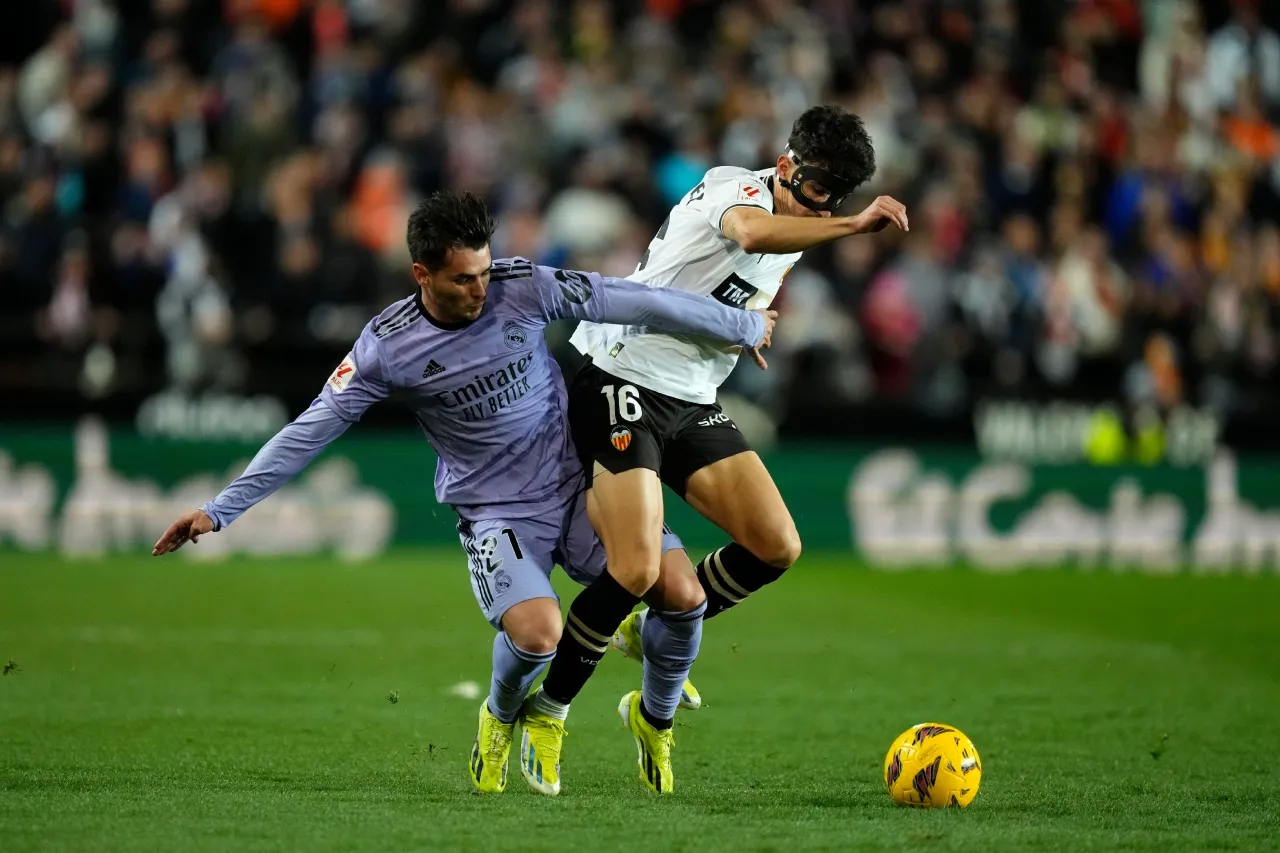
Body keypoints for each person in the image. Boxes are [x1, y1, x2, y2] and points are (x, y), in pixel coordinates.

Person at [151, 191, 776, 798]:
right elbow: (307, 431)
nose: (481, 290)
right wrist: (218, 510)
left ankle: (654, 719)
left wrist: (742, 323)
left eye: (483, 271)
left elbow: (635, 300)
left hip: (577, 485)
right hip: (495, 511)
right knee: (539, 634)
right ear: (421, 274)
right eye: (462, 280)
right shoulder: (385, 349)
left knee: (683, 594)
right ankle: (501, 716)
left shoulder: (524, 285)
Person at [524, 105, 909, 794]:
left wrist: (746, 330)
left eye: (835, 197)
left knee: (776, 544)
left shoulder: (801, 227)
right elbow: (748, 233)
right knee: (636, 564)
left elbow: (736, 281)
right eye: (816, 186)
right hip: (621, 376)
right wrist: (851, 226)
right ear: (789, 163)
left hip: (692, 397)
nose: (821, 203)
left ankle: (649, 667)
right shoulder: (736, 187)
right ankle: (548, 711)